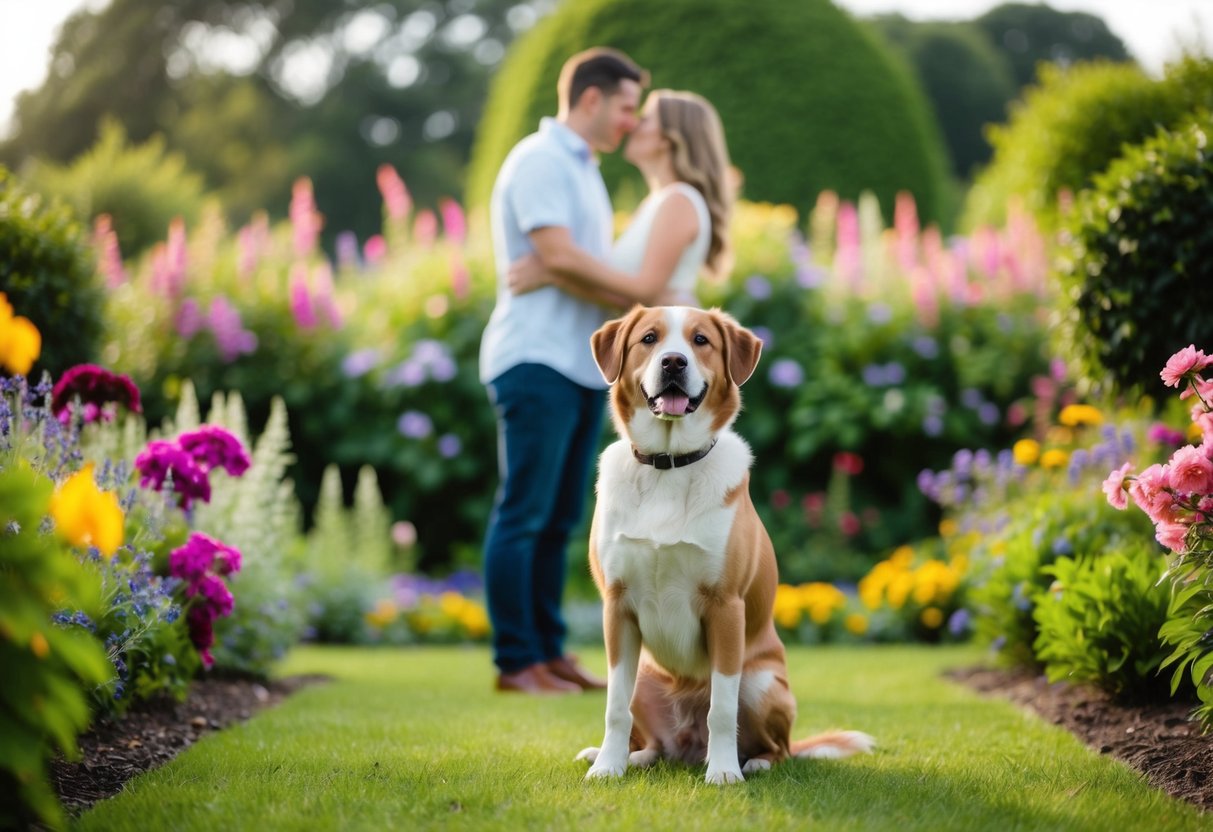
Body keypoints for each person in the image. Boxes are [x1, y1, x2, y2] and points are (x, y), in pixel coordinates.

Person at [479, 47, 648, 695]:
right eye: (625, 107)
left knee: (557, 520)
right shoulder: (539, 159)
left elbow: (570, 262)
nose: (630, 121)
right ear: (590, 99)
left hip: (577, 367)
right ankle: (514, 661)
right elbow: (558, 253)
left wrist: (564, 265)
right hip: (533, 358)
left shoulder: (584, 170)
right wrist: (621, 284)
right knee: (522, 513)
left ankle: (548, 654)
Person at [506, 88, 734, 308]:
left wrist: (556, 274)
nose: (633, 124)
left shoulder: (679, 201)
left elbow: (645, 293)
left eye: (645, 119)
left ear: (668, 139)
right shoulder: (659, 201)